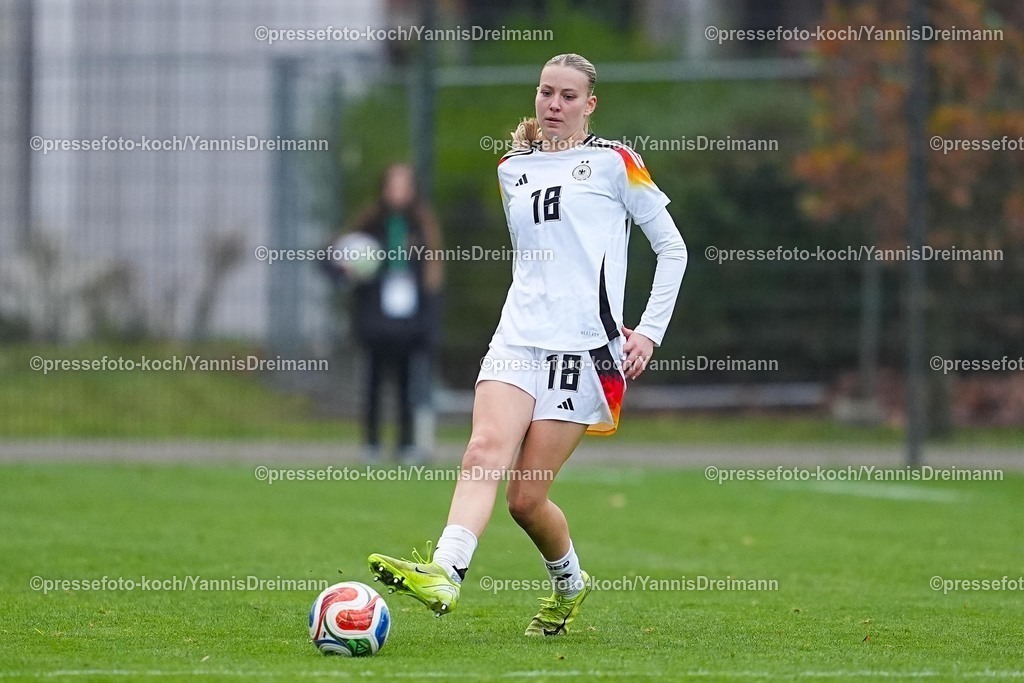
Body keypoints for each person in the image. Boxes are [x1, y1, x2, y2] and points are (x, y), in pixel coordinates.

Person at [367, 53, 687, 636]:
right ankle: (445, 570)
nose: (555, 105)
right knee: (482, 448)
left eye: (568, 96)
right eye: (546, 93)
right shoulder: (512, 168)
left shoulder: (617, 164)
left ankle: (569, 584)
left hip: (587, 352)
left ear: (590, 105)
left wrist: (648, 330)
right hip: (517, 338)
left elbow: (674, 249)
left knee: (525, 500)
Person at [331, 163, 443, 463]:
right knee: (374, 384)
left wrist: (427, 322)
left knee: (409, 385)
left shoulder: (421, 226)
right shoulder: (368, 226)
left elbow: (432, 277)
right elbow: (333, 260)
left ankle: (407, 444)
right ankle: (371, 444)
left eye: (405, 185)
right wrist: (347, 271)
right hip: (375, 320)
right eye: (393, 185)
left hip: (409, 322)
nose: (399, 191)